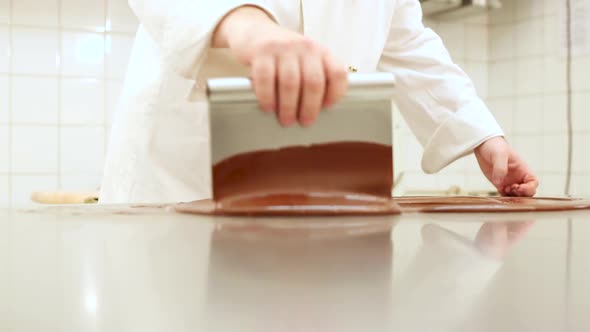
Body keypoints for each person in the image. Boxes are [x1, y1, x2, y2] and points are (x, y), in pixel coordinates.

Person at [99, 0, 539, 204]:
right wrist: (247, 26)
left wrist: (479, 131)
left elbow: (408, 40)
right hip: (182, 176)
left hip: (321, 193)